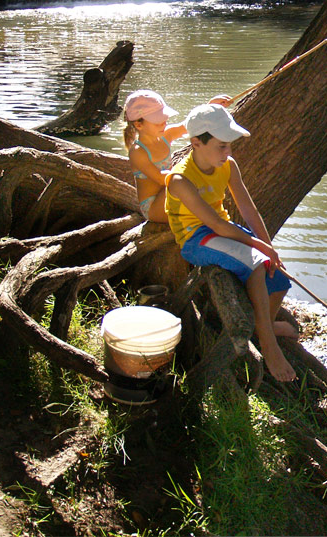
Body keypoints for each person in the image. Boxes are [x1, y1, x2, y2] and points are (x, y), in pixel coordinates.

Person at [164, 103, 297, 382]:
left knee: (279, 278)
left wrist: (266, 243)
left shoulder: (228, 165)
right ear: (196, 143)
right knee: (257, 264)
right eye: (222, 146)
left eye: (230, 147)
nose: (228, 153)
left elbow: (248, 209)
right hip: (196, 238)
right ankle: (268, 344)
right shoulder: (179, 180)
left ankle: (266, 326)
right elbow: (214, 225)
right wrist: (258, 249)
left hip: (222, 230)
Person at [123, 90, 233, 223]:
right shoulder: (138, 151)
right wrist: (192, 175)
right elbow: (159, 178)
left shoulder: (166, 135)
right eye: (158, 122)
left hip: (172, 193)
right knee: (188, 177)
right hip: (154, 207)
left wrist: (210, 106)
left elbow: (188, 124)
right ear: (138, 125)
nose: (164, 124)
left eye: (164, 119)